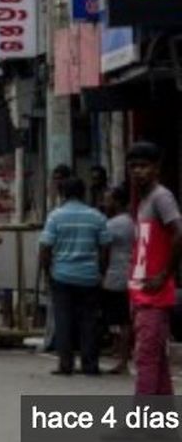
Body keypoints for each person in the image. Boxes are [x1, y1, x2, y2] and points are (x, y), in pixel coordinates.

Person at [125, 142, 182, 395]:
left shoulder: (161, 197)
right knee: (156, 362)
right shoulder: (143, 200)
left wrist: (164, 274)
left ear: (156, 168)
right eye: (134, 167)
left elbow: (179, 233)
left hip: (154, 295)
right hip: (142, 292)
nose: (138, 172)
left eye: (144, 166)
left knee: (146, 360)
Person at [39, 177, 108, 376]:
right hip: (89, 276)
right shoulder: (97, 217)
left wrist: (48, 272)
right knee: (89, 321)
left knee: (64, 320)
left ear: (62, 194)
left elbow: (45, 248)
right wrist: (101, 271)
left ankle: (65, 364)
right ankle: (90, 364)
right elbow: (105, 248)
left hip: (62, 275)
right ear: (83, 193)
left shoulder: (55, 217)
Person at [101, 183, 134, 376]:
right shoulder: (130, 221)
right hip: (126, 273)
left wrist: (101, 272)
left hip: (117, 276)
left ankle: (122, 359)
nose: (105, 203)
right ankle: (121, 356)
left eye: (108, 199)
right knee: (123, 319)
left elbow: (103, 251)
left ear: (118, 201)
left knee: (121, 320)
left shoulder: (113, 225)